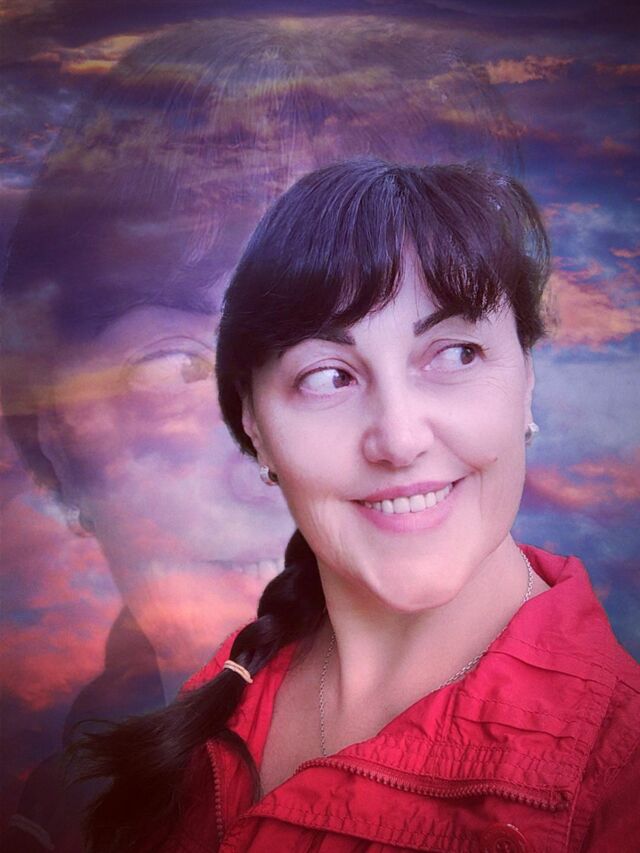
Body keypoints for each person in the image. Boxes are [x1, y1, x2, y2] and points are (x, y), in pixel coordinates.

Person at [1, 17, 521, 851]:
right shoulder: (55, 802)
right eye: (177, 363)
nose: (279, 467)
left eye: (441, 348)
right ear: (51, 426)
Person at [79, 159, 640, 852]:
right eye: (327, 376)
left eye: (457, 354)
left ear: (526, 378)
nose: (399, 440)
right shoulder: (219, 700)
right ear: (254, 425)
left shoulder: (616, 778)